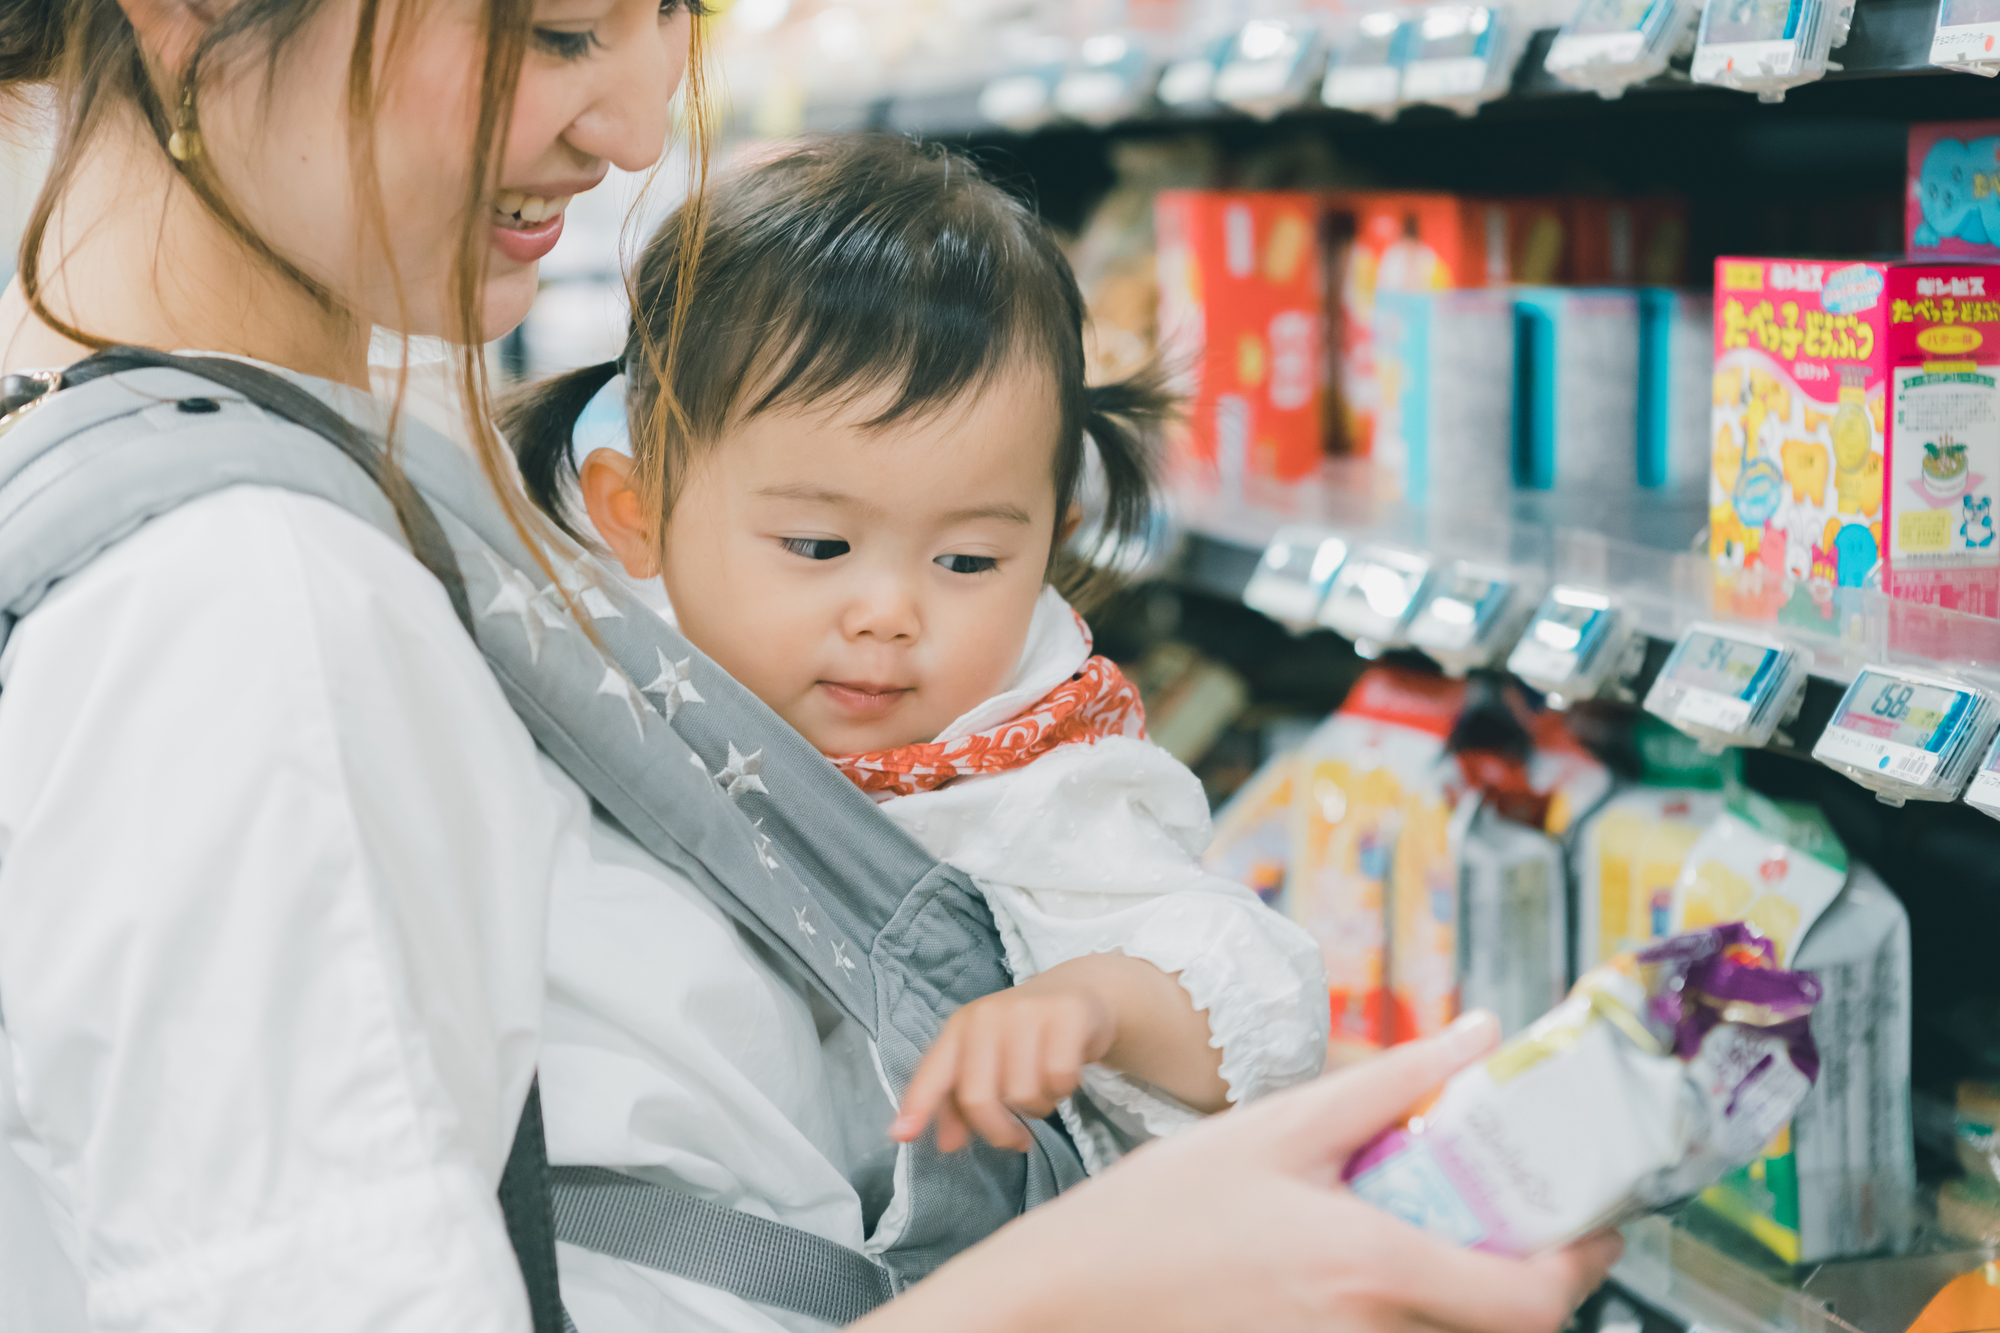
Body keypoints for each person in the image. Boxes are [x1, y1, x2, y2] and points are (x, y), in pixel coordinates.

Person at [0, 3, 1618, 1332]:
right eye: (558, 31)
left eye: (669, 22)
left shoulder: (269, 447)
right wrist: (1094, 1283)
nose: (638, 128)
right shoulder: (249, 595)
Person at [503, 141, 1329, 1287]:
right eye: (817, 546)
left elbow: (1259, 1006)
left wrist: (1093, 1003)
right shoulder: (578, 672)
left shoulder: (1020, 755)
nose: (888, 611)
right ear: (635, 508)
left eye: (969, 557)